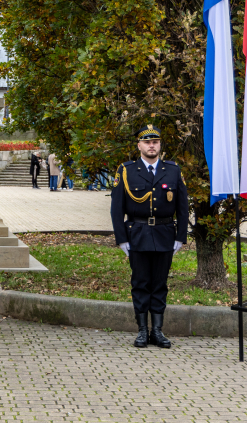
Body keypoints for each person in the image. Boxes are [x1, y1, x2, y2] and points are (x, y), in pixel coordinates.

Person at [109, 124, 188, 349]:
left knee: (160, 284)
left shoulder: (172, 170)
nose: (151, 145)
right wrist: (122, 238)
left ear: (160, 145)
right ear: (139, 145)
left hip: (164, 234)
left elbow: (183, 207)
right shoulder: (126, 171)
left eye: (155, 142)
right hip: (138, 235)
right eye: (147, 142)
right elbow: (117, 209)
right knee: (141, 282)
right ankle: (142, 331)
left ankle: (158, 331)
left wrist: (180, 237)